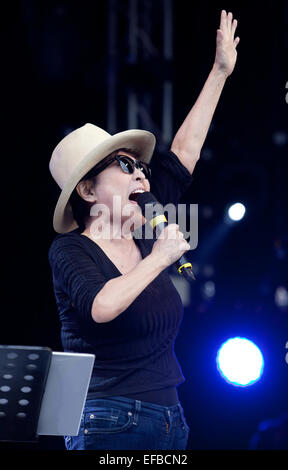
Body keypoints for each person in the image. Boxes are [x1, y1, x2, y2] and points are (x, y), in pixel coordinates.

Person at [48, 10, 239, 450]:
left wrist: (219, 71)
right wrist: (158, 258)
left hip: (171, 417)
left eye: (141, 167)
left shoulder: (147, 226)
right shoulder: (70, 250)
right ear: (88, 190)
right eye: (125, 165)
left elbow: (185, 151)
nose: (142, 175)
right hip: (106, 420)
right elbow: (102, 305)